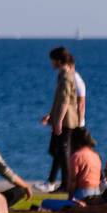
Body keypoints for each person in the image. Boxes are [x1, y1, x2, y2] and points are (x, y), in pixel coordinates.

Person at [36, 47, 80, 194]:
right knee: (57, 150)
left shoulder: (67, 77)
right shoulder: (62, 75)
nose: (51, 63)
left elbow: (65, 101)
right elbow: (58, 100)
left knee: (62, 150)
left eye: (53, 60)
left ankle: (66, 183)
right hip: (59, 118)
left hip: (67, 120)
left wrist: (59, 120)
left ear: (59, 61)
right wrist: (50, 115)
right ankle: (54, 181)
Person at [67, 126, 102, 200]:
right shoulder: (95, 155)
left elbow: (73, 180)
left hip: (83, 192)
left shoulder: (77, 156)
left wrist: (70, 198)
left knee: (46, 203)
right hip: (97, 192)